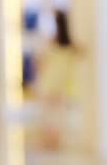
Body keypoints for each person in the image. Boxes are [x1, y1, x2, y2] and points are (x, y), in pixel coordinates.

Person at [35, 10, 81, 150]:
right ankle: (56, 139)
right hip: (63, 83)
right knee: (58, 113)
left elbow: (41, 61)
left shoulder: (52, 42)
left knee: (48, 112)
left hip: (50, 81)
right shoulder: (71, 45)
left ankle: (49, 140)